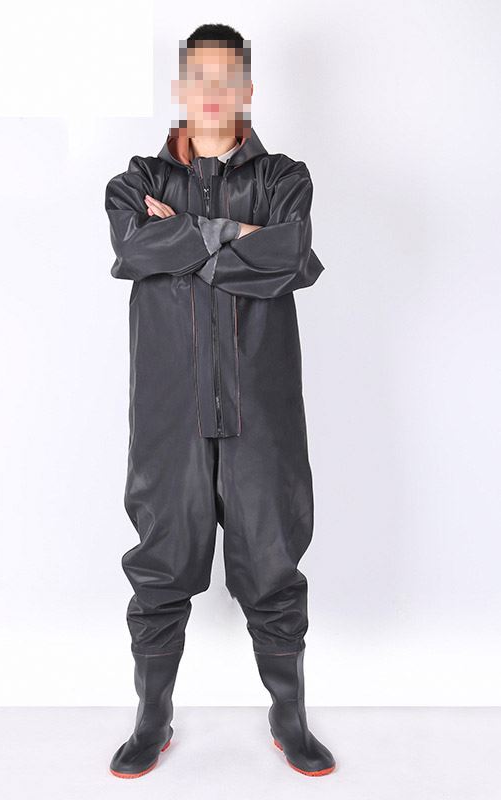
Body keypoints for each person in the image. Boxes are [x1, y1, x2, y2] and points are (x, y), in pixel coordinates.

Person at [105, 23, 335, 779]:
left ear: (247, 90)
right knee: (160, 564)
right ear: (180, 89)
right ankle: (152, 717)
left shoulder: (284, 180)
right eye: (198, 77)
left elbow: (292, 254)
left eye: (226, 78)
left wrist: (189, 239)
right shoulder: (137, 181)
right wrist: (236, 237)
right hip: (170, 416)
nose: (212, 92)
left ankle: (289, 716)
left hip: (260, 414)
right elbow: (133, 249)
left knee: (273, 562)